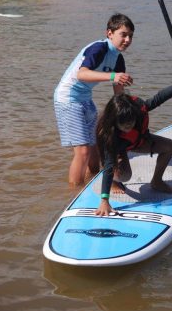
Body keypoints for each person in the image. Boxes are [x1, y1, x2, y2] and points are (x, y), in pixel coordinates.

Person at [95, 70, 172, 216]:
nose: (128, 127)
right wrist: (104, 201)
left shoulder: (138, 108)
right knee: (125, 176)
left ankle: (157, 181)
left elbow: (157, 99)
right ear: (115, 122)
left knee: (169, 146)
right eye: (124, 125)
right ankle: (115, 182)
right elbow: (108, 166)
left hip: (139, 141)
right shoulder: (110, 135)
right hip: (120, 148)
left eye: (131, 123)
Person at [54, 14, 135, 186]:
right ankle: (75, 193)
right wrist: (113, 76)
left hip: (85, 99)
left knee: (95, 148)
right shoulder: (99, 49)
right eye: (123, 34)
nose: (127, 40)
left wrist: (129, 112)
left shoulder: (118, 59)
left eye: (131, 36)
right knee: (82, 152)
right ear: (109, 33)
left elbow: (118, 94)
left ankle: (93, 182)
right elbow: (81, 74)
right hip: (67, 98)